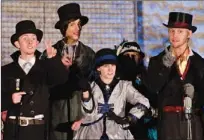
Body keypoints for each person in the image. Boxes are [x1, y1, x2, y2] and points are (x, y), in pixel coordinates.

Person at [147, 12, 204, 140]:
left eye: (180, 31)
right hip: (168, 124)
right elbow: (152, 87)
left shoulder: (199, 62)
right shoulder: (157, 61)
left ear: (189, 34)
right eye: (172, 31)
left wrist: (195, 96)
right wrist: (165, 67)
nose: (174, 35)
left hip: (193, 123)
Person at [1, 20, 68, 140]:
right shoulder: (5, 71)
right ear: (17, 44)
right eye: (25, 38)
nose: (30, 42)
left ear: (37, 42)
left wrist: (53, 60)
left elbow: (62, 80)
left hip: (38, 132)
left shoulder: (47, 67)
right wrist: (10, 99)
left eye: (33, 38)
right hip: (13, 131)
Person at [40, 3, 95, 140]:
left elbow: (95, 86)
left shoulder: (89, 54)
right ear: (64, 27)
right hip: (57, 117)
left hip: (82, 116)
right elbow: (42, 85)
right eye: (72, 25)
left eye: (79, 24)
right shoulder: (49, 53)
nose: (77, 28)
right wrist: (57, 66)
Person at [73, 48, 150, 139]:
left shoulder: (124, 86)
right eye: (106, 66)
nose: (110, 69)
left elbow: (144, 102)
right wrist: (85, 92)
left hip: (117, 134)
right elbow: (89, 113)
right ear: (98, 68)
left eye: (113, 65)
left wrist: (128, 119)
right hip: (93, 133)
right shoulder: (91, 86)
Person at [116, 40, 158, 140]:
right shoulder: (114, 78)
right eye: (127, 56)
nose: (130, 59)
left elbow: (155, 103)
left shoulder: (147, 77)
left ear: (139, 58)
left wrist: (151, 111)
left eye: (134, 56)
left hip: (143, 128)